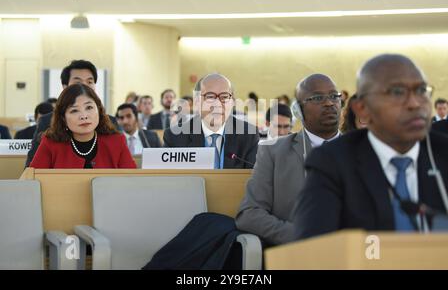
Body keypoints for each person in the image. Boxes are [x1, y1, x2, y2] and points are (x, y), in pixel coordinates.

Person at [293, 54, 448, 241]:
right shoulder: (332, 163)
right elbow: (313, 249)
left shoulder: (441, 153)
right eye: (397, 92)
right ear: (362, 108)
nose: (415, 103)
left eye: (421, 90)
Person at [236, 74, 342, 245]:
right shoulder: (273, 152)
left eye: (333, 96)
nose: (329, 103)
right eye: (318, 98)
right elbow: (249, 214)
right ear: (298, 111)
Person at [26, 60, 119, 167]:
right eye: (78, 83)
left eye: (89, 82)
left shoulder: (111, 122)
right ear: (65, 87)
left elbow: (122, 169)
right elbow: (32, 170)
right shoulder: (47, 122)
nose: (84, 87)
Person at [163, 73, 259, 169]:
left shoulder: (249, 135)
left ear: (232, 102)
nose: (217, 104)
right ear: (196, 102)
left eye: (224, 97)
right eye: (210, 97)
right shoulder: (174, 136)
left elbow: (252, 179)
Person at [30, 84, 136, 169]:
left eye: (89, 107)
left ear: (99, 110)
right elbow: (32, 182)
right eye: (74, 110)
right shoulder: (50, 144)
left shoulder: (117, 141)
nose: (84, 116)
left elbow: (132, 183)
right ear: (63, 118)